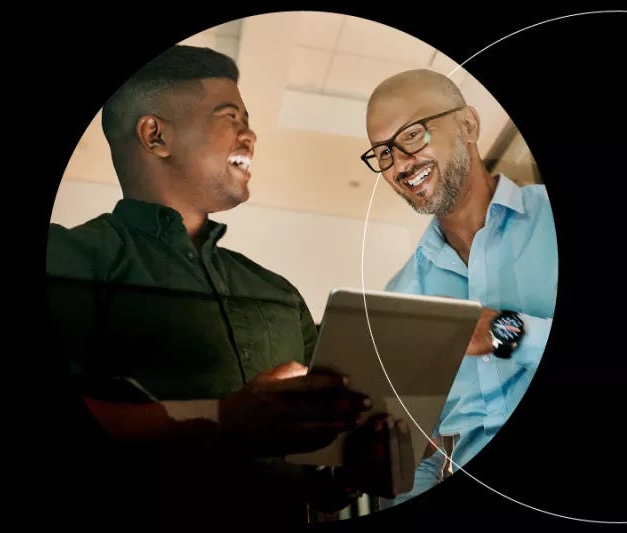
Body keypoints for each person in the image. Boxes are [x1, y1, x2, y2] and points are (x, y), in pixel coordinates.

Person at [46, 45, 411, 529]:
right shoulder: (68, 257)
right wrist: (224, 419)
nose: (250, 134)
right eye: (230, 116)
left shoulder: (278, 293)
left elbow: (316, 481)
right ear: (156, 136)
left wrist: (353, 469)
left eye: (248, 119)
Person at [360, 69, 558, 506]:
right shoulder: (404, 297)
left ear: (468, 124)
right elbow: (417, 455)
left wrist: (507, 332)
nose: (400, 163)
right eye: (384, 152)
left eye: (412, 135)